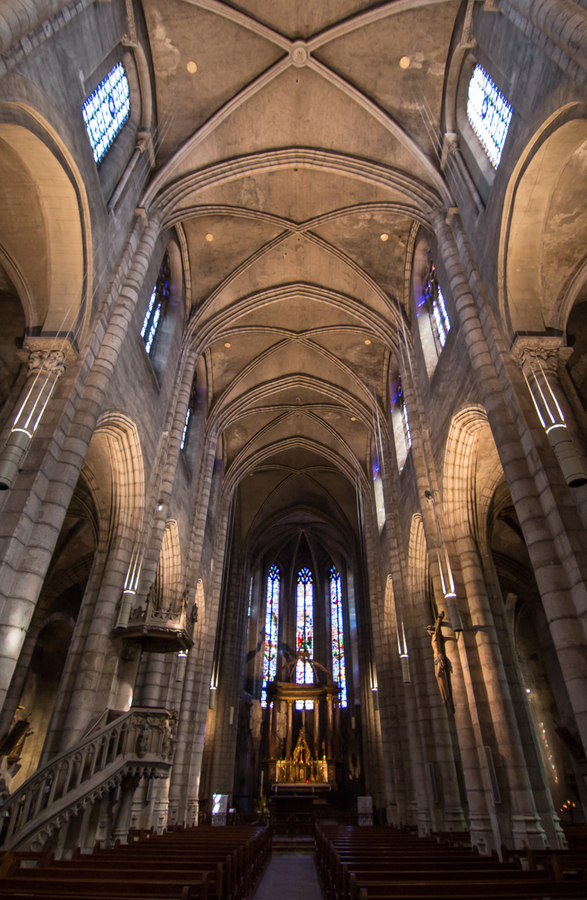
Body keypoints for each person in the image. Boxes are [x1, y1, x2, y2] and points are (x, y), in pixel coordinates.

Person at [426, 610, 455, 712]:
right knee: (437, 676)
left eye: (429, 630)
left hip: (439, 656)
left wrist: (439, 618)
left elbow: (437, 628)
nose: (428, 632)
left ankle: (447, 697)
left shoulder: (435, 636)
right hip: (436, 658)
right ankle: (444, 697)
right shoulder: (432, 638)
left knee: (439, 675)